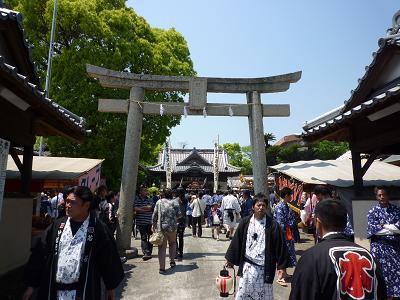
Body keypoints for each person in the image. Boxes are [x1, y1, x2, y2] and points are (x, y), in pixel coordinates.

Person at [23, 186, 124, 300]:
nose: (68, 205)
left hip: (83, 292)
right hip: (54, 290)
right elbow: (40, 254)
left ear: (86, 205)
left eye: (73, 202)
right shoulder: (57, 226)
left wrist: (110, 288)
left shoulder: (98, 229)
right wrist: (31, 285)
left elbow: (108, 259)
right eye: (67, 201)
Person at [289, 198, 386, 300]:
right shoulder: (368, 256)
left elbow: (302, 294)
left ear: (318, 223)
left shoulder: (311, 258)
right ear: (345, 222)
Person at [225, 193, 289, 300]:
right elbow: (237, 242)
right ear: (253, 207)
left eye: (263, 205)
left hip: (265, 268)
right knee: (244, 293)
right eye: (258, 205)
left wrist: (282, 267)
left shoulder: (273, 225)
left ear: (266, 207)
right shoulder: (245, 222)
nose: (261, 208)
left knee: (264, 295)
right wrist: (230, 259)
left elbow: (280, 245)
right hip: (247, 266)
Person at [367, 186, 400, 299]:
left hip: (394, 248)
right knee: (380, 274)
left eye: (384, 194)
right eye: (379, 195)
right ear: (376, 197)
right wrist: (391, 228)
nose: (382, 197)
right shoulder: (372, 211)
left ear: (388, 195)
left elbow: (398, 229)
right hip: (378, 249)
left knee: (395, 273)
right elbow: (373, 231)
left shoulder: (396, 210)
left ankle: (394, 296)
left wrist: (383, 226)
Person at [152, 188, 181, 274]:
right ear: (171, 194)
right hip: (172, 227)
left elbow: (155, 215)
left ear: (163, 194)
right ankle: (172, 261)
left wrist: (153, 225)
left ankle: (162, 268)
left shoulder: (159, 202)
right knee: (172, 243)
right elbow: (179, 215)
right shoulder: (175, 202)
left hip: (161, 227)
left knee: (161, 247)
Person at [274, 187, 297, 285]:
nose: (291, 197)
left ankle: (285, 273)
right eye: (290, 195)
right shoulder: (280, 206)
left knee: (287, 253)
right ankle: (280, 276)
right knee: (282, 254)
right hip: (282, 234)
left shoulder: (286, 205)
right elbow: (280, 223)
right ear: (286, 195)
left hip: (287, 233)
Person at [134, 186, 154, 261]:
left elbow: (150, 207)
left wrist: (141, 209)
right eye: (144, 191)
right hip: (141, 222)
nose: (146, 192)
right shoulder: (137, 199)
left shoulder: (149, 199)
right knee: (143, 237)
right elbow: (135, 209)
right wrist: (145, 209)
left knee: (151, 237)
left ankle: (149, 251)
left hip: (149, 221)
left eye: (146, 190)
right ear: (141, 192)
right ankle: (146, 252)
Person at [175, 187, 187, 260]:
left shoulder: (175, 200)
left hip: (176, 221)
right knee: (181, 237)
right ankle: (181, 253)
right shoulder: (185, 200)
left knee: (174, 237)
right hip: (182, 221)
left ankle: (176, 251)